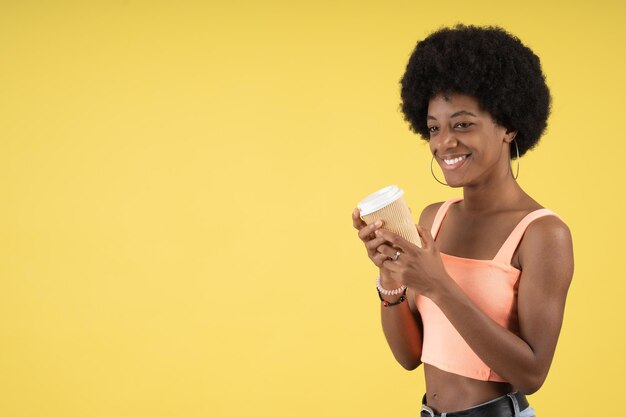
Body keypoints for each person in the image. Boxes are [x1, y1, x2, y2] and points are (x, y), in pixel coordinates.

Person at [352, 25, 573, 417]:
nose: (443, 143)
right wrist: (390, 280)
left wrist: (439, 286)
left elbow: (532, 374)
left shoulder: (542, 233)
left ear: (508, 126)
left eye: (462, 124)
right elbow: (410, 357)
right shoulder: (433, 218)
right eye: (434, 128)